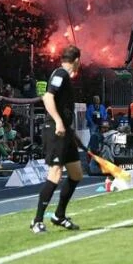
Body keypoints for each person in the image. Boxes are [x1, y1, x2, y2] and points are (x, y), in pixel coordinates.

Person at [31, 45, 84, 233]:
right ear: (77, 60)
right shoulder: (61, 74)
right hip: (55, 130)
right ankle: (37, 220)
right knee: (55, 173)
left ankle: (59, 216)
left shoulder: (65, 76)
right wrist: (59, 122)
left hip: (65, 131)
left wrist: (70, 131)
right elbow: (47, 97)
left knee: (76, 174)